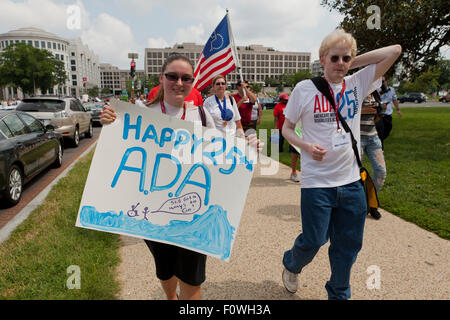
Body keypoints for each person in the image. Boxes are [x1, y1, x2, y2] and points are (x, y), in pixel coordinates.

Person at [101, 53, 263, 300]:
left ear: (192, 82)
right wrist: (110, 122)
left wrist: (247, 146)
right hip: (153, 206)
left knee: (191, 276)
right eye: (172, 76)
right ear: (161, 78)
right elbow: (120, 149)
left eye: (186, 78)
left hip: (194, 208)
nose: (179, 82)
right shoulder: (141, 112)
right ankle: (170, 297)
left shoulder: (201, 115)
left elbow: (220, 152)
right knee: (165, 269)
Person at [281, 28, 401, 299]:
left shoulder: (358, 82)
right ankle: (291, 264)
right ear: (322, 59)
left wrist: (352, 61)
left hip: (350, 181)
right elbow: (287, 129)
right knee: (313, 240)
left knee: (348, 246)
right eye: (334, 58)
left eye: (346, 58)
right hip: (317, 182)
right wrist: (305, 146)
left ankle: (338, 292)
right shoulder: (304, 89)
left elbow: (394, 50)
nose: (341, 64)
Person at [360, 93, 386, 220]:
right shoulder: (355, 90)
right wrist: (362, 111)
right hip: (356, 138)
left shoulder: (375, 94)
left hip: (373, 138)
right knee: (354, 173)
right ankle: (358, 204)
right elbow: (341, 112)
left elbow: (376, 116)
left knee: (381, 172)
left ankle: (371, 202)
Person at [273, 93, 300, 182]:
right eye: (285, 99)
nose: (286, 101)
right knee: (282, 142)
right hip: (284, 128)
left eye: (287, 99)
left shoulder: (291, 105)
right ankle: (293, 172)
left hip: (298, 129)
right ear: (281, 99)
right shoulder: (278, 106)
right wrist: (275, 127)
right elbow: (276, 117)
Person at [376, 76, 401, 148]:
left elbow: (394, 100)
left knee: (388, 128)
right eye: (380, 82)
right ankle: (381, 146)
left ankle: (379, 140)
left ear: (386, 81)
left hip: (388, 112)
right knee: (380, 129)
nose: (382, 83)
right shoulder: (376, 90)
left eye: (383, 81)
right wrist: (381, 92)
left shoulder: (392, 90)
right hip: (379, 112)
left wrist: (398, 110)